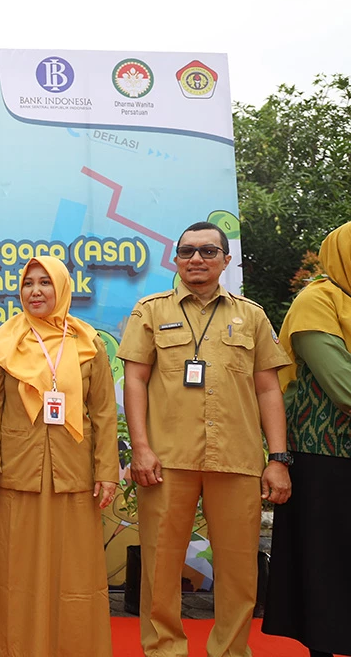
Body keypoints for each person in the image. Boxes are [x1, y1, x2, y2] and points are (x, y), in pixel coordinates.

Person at [119, 220, 292, 657]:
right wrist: (140, 447)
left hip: (236, 458)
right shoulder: (150, 310)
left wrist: (278, 457)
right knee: (160, 566)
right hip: (166, 458)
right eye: (188, 251)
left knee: (238, 569)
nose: (197, 259)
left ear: (225, 260)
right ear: (176, 260)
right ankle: (164, 650)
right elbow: (134, 380)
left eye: (208, 252)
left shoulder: (250, 315)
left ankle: (231, 650)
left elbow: (268, 388)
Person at [0, 255, 118, 656]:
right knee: (13, 569)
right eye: (28, 283)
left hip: (75, 473)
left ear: (62, 288)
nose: (35, 291)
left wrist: (107, 472)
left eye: (45, 283)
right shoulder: (3, 342)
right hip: (17, 472)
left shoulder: (89, 343)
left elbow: (104, 413)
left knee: (74, 571)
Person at [262, 221, 351, 657]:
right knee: (325, 559)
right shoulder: (316, 302)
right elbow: (342, 384)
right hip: (324, 457)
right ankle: (323, 647)